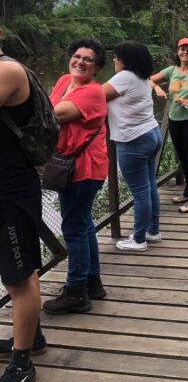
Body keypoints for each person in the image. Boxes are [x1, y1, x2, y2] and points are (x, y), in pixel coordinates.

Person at [43, 39, 108, 315]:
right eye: (77, 56)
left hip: (84, 168)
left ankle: (76, 291)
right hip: (70, 164)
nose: (80, 62)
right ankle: (92, 281)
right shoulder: (63, 81)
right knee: (82, 223)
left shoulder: (92, 92)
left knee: (74, 228)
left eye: (88, 60)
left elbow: (53, 114)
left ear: (96, 68)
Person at [0, 29, 45, 382]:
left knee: (19, 277)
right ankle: (32, 335)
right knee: (17, 272)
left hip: (11, 189)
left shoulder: (7, 70)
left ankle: (22, 360)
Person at [102, 41, 162, 251]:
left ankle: (138, 239)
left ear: (125, 60)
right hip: (152, 133)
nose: (114, 60)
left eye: (117, 56)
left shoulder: (124, 77)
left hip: (133, 140)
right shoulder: (142, 77)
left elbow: (94, 96)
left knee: (140, 191)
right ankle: (153, 231)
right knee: (149, 185)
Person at [150, 38, 188, 213]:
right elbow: (148, 79)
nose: (185, 52)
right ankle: (187, 192)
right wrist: (157, 88)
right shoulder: (171, 70)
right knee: (183, 158)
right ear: (177, 51)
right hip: (175, 120)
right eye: (182, 49)